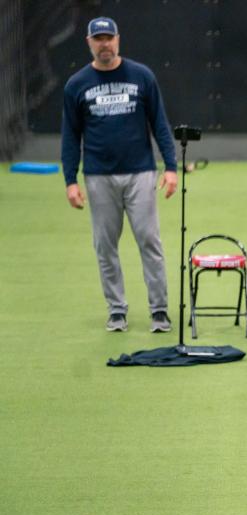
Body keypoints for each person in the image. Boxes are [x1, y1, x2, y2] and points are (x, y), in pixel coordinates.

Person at [61, 16, 178, 333]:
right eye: (98, 39)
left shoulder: (141, 76)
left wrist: (170, 167)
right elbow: (71, 137)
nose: (104, 44)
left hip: (140, 173)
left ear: (118, 39)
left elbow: (160, 124)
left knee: (149, 241)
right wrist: (70, 180)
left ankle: (159, 310)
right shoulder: (77, 85)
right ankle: (116, 310)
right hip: (98, 177)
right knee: (105, 246)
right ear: (89, 43)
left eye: (109, 38)